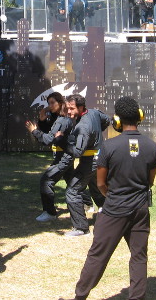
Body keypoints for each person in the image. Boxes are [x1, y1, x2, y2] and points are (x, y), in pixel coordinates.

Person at [70, 97, 156, 300]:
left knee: (98, 255)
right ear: (139, 117)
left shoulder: (109, 146)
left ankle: (80, 296)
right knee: (139, 256)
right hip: (140, 209)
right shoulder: (151, 146)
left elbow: (101, 183)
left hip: (114, 209)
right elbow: (150, 181)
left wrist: (112, 197)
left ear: (117, 120)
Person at [61, 94, 111, 236]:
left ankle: (81, 228)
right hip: (99, 159)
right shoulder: (94, 113)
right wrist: (97, 132)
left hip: (90, 161)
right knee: (97, 188)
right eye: (67, 108)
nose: (69, 112)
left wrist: (61, 141)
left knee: (72, 191)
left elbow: (78, 151)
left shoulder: (83, 126)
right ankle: (111, 215)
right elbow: (107, 120)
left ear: (81, 107)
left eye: (72, 108)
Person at [25, 92, 75, 222]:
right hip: (65, 154)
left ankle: (50, 212)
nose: (50, 106)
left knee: (46, 181)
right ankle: (86, 203)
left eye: (52, 103)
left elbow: (47, 139)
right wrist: (42, 117)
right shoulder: (58, 117)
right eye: (48, 103)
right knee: (72, 182)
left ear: (60, 103)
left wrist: (34, 131)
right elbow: (49, 130)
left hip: (64, 156)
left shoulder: (63, 120)